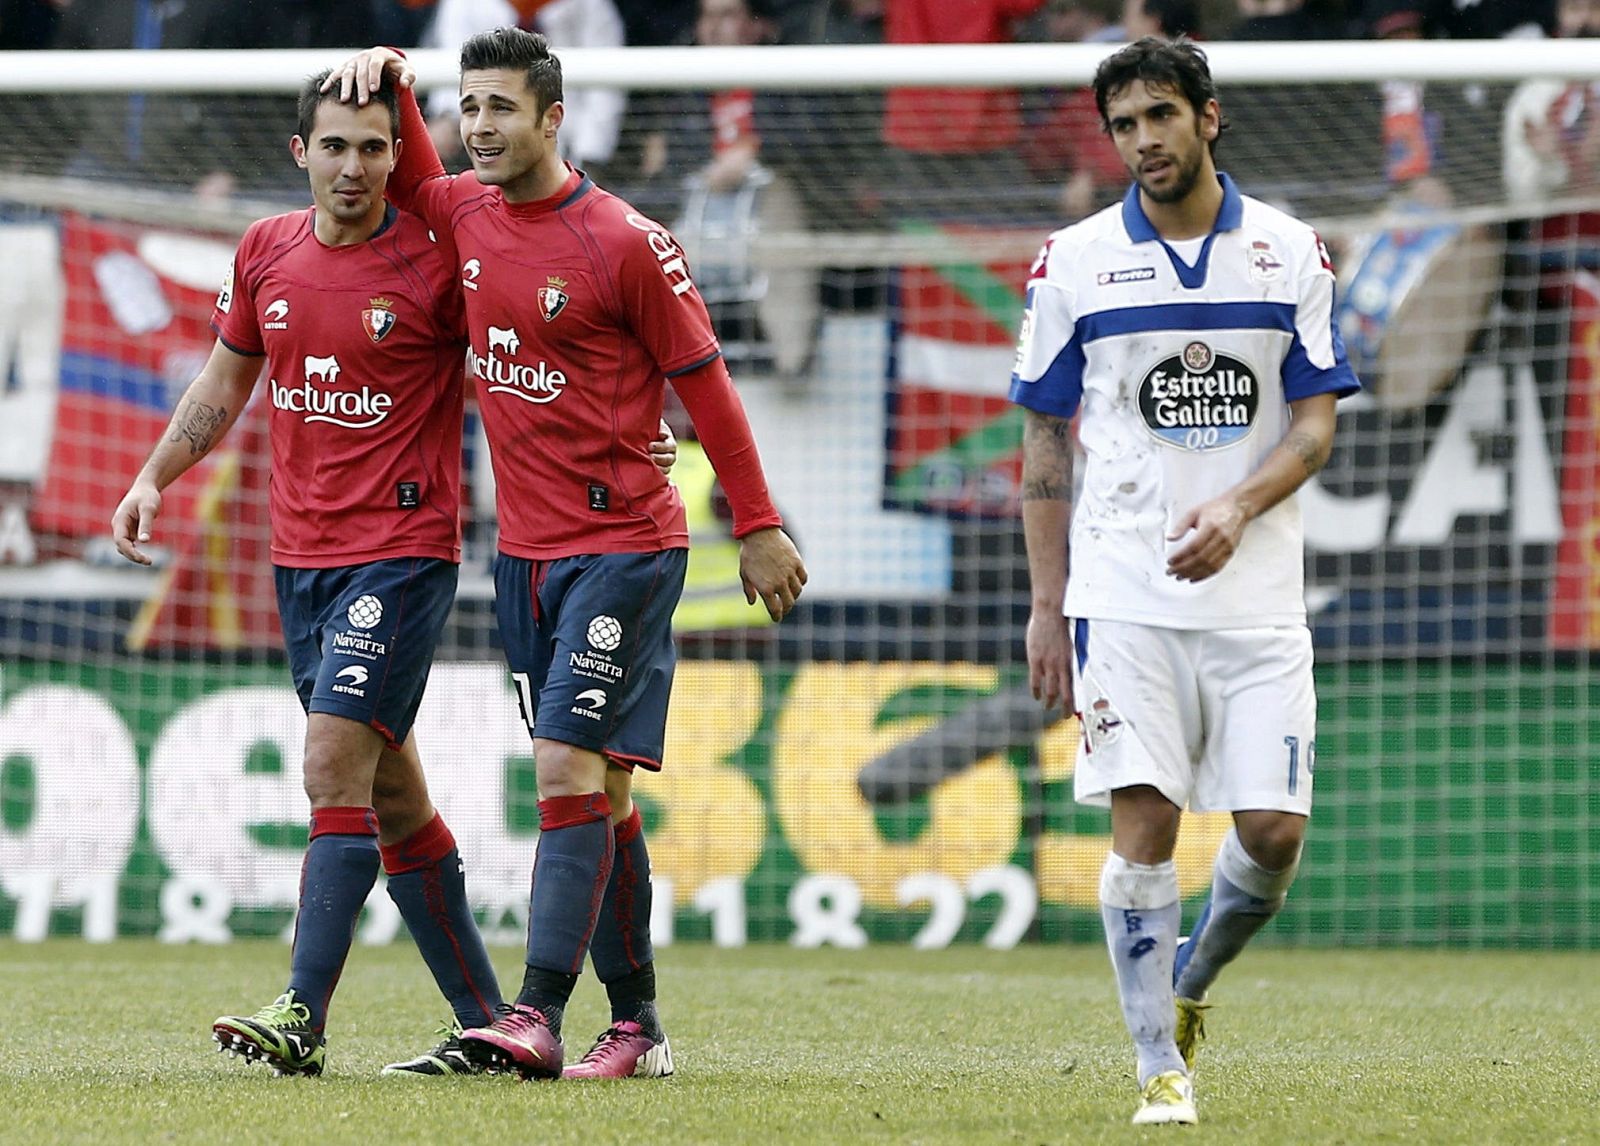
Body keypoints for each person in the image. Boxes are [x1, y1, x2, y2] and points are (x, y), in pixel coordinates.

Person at [108, 68, 675, 1079]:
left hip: (402, 558)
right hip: (300, 563)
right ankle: (490, 1018)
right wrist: (155, 476)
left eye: (375, 148)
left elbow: (545, 344)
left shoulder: (434, 257)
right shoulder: (264, 253)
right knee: (393, 801)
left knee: (331, 765)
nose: (355, 167)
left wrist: (629, 436)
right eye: (335, 146)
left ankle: (300, 1015)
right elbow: (227, 378)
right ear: (302, 155)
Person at [327, 28, 807, 1081]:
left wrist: (760, 520)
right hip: (528, 559)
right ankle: (636, 1027)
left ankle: (533, 1013)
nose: (483, 127)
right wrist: (398, 83)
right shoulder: (462, 213)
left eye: (504, 108)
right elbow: (411, 167)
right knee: (605, 798)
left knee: (563, 768)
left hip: (625, 545)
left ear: (555, 118)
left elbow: (707, 385)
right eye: (471, 109)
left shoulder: (626, 242)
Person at [1009, 37, 1358, 1125]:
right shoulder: (1070, 261)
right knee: (1145, 823)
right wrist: (1042, 603)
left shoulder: (1288, 251)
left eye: (1161, 116)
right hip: (1120, 592)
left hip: (1257, 594)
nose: (1143, 141)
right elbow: (1043, 450)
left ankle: (1190, 982)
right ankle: (1159, 1062)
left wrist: (1238, 507)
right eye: (1123, 125)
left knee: (1272, 834)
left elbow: (1315, 424)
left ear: (1209, 119)